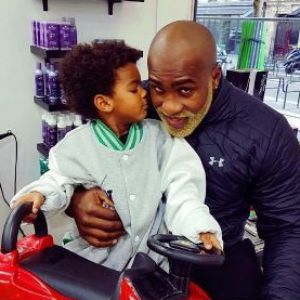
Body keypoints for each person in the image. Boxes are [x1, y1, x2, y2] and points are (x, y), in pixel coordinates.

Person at [67, 22, 300, 300]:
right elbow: (79, 158)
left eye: (185, 90)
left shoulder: (266, 132)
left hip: (216, 258)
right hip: (135, 259)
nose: (169, 107)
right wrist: (76, 200)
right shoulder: (133, 107)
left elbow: (288, 230)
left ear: (214, 77)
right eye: (157, 88)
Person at [11, 40, 223, 271]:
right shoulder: (76, 147)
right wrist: (36, 195)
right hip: (95, 267)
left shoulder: (160, 139)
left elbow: (183, 193)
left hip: (150, 265)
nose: (144, 93)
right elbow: (58, 181)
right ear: (104, 102)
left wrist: (200, 228)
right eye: (134, 89)